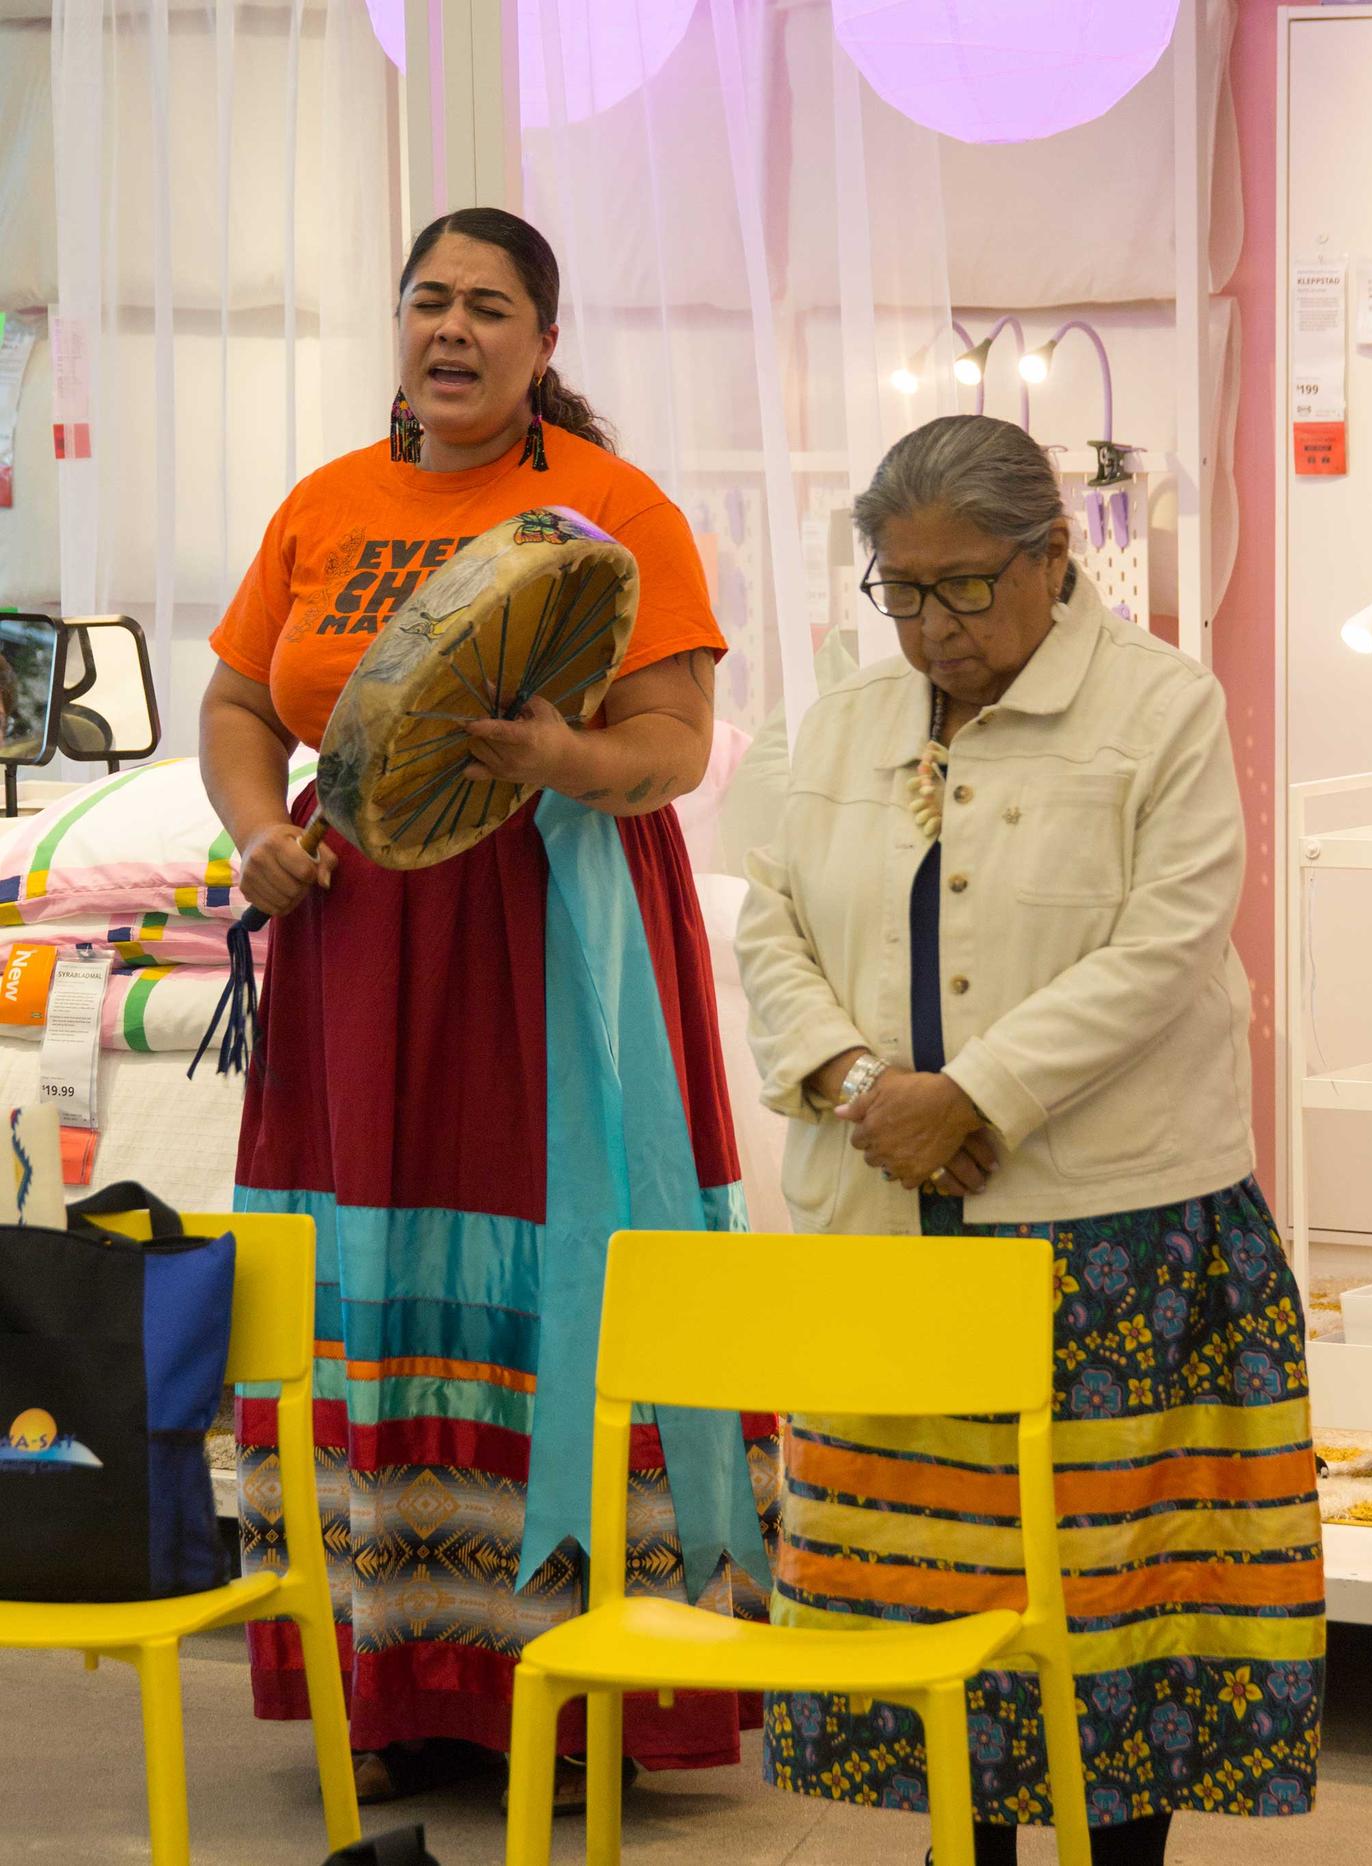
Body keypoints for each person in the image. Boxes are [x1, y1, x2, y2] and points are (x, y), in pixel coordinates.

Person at [200, 207, 775, 1812]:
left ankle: (578, 1682)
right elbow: (244, 700)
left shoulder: (607, 505)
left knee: (558, 1260)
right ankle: (382, 1678)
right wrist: (257, 837)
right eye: (428, 302)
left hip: (554, 931)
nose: (452, 331)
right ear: (397, 322)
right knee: (361, 1270)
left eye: (490, 309)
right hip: (354, 934)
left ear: (544, 343)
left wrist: (567, 762)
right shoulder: (324, 505)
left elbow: (672, 736)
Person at [736, 415, 1323, 1863]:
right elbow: (775, 919)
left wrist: (977, 1092)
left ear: (1053, 557)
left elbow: (1168, 940)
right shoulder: (848, 716)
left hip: (1113, 1239)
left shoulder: (1158, 708)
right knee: (932, 1614)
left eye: (964, 586)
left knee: (1112, 1608)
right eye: (902, 587)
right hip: (896, 1224)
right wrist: (869, 1082)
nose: (932, 625)